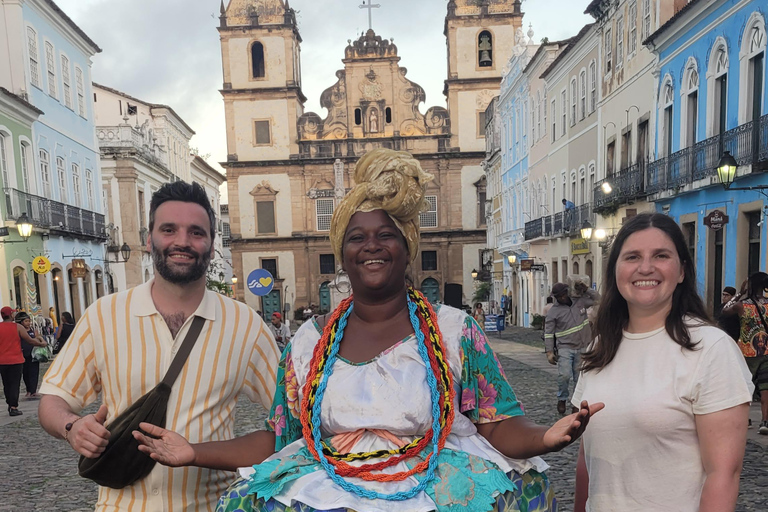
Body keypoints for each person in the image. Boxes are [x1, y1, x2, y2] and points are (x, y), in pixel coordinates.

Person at [132, 148, 603, 512]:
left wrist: (546, 436)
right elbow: (280, 439)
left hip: (437, 485)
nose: (371, 247)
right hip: (327, 486)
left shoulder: (453, 330)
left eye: (386, 235)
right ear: (342, 252)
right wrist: (191, 451)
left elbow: (496, 424)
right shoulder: (308, 343)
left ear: (407, 247)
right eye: (357, 237)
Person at [37, 181, 280, 511]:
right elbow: (53, 399)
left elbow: (289, 421)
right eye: (169, 229)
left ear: (211, 245)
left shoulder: (245, 326)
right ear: (149, 238)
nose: (182, 241)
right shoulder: (104, 315)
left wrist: (202, 451)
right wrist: (72, 426)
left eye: (196, 232)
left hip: (209, 505)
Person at [573, 213, 753, 512]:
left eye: (661, 255)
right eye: (632, 257)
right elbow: (587, 460)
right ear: (615, 271)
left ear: (681, 270)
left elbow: (723, 474)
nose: (646, 267)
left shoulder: (711, 348)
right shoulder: (600, 348)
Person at [544, 282, 599, 415]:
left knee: (579, 377)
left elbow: (598, 299)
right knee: (565, 375)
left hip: (583, 346)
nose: (562, 298)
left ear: (567, 292)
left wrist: (586, 289)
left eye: (563, 294)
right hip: (565, 347)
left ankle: (576, 403)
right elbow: (548, 333)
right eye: (558, 296)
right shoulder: (553, 312)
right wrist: (549, 352)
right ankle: (562, 398)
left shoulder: (580, 302)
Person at [725, 272, 768, 435]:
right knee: (766, 388)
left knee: (744, 387)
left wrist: (739, 294)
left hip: (747, 352)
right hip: (766, 350)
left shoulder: (742, 305)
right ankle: (765, 421)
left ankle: (746, 419)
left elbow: (725, 310)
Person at [0, 306, 45, 416]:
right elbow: (29, 340)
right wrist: (41, 343)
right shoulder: (18, 327)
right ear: (11, 315)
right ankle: (13, 406)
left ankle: (10, 402)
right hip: (16, 360)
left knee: (6, 384)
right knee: (15, 384)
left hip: (2, 361)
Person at [16, 312, 41, 399]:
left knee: (34, 372)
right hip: (23, 354)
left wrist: (39, 339)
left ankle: (33, 390)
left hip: (33, 354)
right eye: (26, 321)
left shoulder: (33, 330)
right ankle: (28, 390)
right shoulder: (19, 331)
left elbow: (38, 338)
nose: (28, 323)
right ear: (21, 322)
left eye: (29, 321)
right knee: (25, 373)